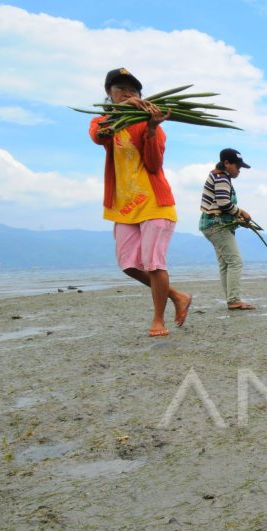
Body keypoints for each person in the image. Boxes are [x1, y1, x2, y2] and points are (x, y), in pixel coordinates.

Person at [89, 68, 190, 337]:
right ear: (109, 94)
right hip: (123, 206)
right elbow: (99, 136)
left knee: (154, 262)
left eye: (133, 90)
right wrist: (118, 114)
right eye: (120, 88)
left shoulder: (148, 123)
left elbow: (155, 165)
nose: (127, 93)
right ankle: (177, 296)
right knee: (129, 264)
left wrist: (152, 127)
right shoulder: (102, 120)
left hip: (155, 202)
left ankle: (158, 319)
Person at [200, 148, 255, 310]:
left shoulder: (218, 176)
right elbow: (224, 203)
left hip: (211, 225)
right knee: (235, 262)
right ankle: (234, 300)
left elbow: (221, 205)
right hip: (217, 226)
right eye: (237, 167)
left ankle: (232, 300)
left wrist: (237, 220)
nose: (239, 170)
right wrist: (241, 212)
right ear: (226, 163)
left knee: (225, 264)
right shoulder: (221, 177)